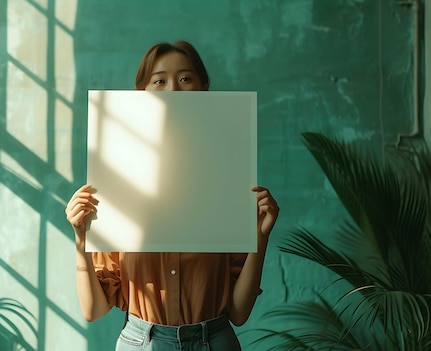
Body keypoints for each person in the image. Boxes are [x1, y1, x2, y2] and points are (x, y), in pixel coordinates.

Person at [66, 40, 280, 351]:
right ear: (142, 93)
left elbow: (239, 312)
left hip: (214, 341)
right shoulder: (116, 181)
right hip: (141, 343)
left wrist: (261, 237)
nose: (173, 90)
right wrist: (80, 238)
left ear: (203, 89)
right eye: (159, 80)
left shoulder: (229, 182)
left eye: (184, 79)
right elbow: (94, 310)